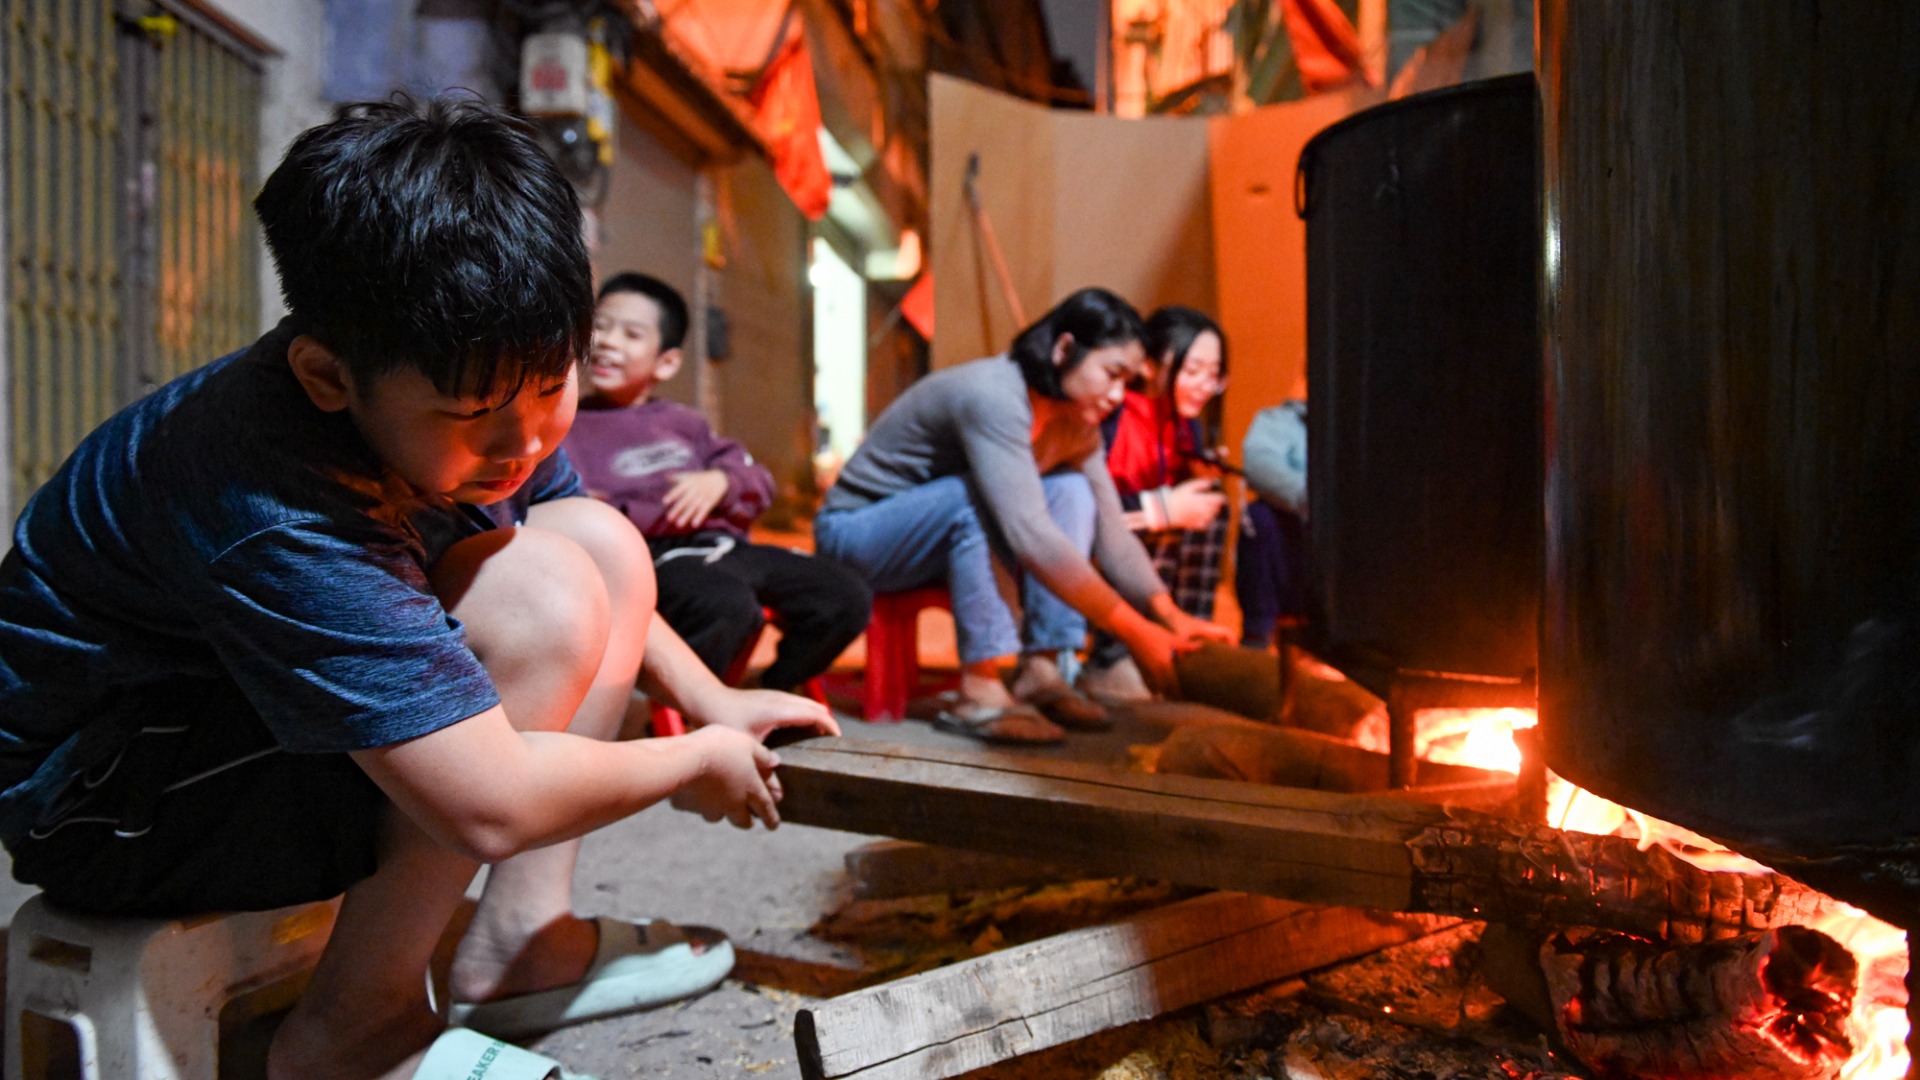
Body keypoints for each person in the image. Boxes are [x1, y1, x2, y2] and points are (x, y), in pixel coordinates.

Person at [0, 98, 834, 1080]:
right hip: (108, 800)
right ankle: (360, 1028)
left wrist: (714, 699)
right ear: (325, 376)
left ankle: (518, 939)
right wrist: (695, 758)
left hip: (234, 717)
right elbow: (492, 805)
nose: (522, 442)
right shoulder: (271, 499)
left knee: (597, 540)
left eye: (552, 387)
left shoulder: (473, 410)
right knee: (540, 602)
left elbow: (587, 542)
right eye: (473, 413)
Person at [814, 288, 1234, 745]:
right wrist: (1136, 633)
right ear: (1064, 350)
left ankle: (1043, 668)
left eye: (1127, 381)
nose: (1118, 395)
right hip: (859, 535)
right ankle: (980, 687)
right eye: (1111, 374)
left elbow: (1112, 533)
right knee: (977, 496)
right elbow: (1030, 536)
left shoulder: (1079, 425)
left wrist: (1169, 616)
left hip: (932, 540)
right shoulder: (994, 395)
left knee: (1073, 492)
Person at [566, 273, 872, 693]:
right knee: (726, 606)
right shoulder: (570, 426)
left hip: (727, 546)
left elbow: (757, 481)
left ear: (667, 362)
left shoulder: (685, 423)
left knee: (844, 594)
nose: (609, 341)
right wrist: (653, 508)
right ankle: (675, 703)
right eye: (600, 325)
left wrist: (721, 482)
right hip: (655, 559)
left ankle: (773, 688)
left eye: (631, 334)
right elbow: (588, 509)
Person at [1080, 306, 1232, 703]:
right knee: (1162, 522)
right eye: (1191, 370)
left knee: (1210, 508)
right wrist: (1162, 508)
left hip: (1144, 547)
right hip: (1090, 550)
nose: (1203, 385)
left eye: (1213, 374)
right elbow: (1087, 508)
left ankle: (1190, 638)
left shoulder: (1185, 422)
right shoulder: (1113, 415)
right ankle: (1109, 659)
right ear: (1149, 366)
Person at [1238, 394, 1311, 648]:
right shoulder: (1279, 421)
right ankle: (1258, 635)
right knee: (1258, 517)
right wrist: (1311, 499)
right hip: (1294, 535)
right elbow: (1260, 464)